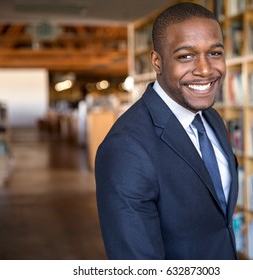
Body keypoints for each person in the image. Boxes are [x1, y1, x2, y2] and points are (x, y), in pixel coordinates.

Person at [95, 2, 238, 260]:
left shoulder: (212, 119)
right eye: (186, 56)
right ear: (157, 62)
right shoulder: (125, 148)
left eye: (215, 53)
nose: (206, 69)